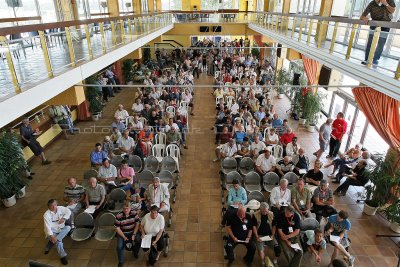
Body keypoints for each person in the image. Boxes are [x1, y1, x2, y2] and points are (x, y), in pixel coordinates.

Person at [361, 0, 396, 66]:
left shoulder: (389, 0)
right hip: (374, 24)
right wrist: (365, 18)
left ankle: (375, 60)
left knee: (381, 43)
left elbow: (393, 10)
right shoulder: (372, 3)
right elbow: (362, 16)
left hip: (386, 25)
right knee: (370, 42)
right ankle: (367, 59)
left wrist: (386, 4)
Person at [252, 202, 281, 267]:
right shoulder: (255, 215)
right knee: (260, 250)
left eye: (266, 211)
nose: (265, 212)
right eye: (264, 211)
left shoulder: (271, 214)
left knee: (278, 248)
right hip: (260, 235)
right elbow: (254, 227)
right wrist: (257, 237)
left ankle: (275, 261)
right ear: (260, 210)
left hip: (269, 235)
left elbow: (274, 226)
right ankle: (263, 262)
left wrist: (273, 235)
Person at [43, 199, 71, 265]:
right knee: (59, 242)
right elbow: (47, 227)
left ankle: (52, 243)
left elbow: (68, 211)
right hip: (52, 231)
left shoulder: (60, 208)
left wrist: (64, 218)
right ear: (48, 207)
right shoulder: (46, 215)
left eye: (55, 205)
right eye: (52, 206)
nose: (54, 207)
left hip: (61, 229)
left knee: (68, 227)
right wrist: (52, 236)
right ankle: (63, 256)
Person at [115, 201, 141, 267]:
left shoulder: (134, 213)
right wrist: (124, 237)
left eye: (127, 208)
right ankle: (121, 261)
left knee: (138, 240)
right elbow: (117, 229)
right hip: (123, 233)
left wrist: (134, 234)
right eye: (124, 208)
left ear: (130, 208)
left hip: (133, 231)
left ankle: (135, 251)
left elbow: (137, 224)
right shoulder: (118, 216)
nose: (126, 210)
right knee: (119, 247)